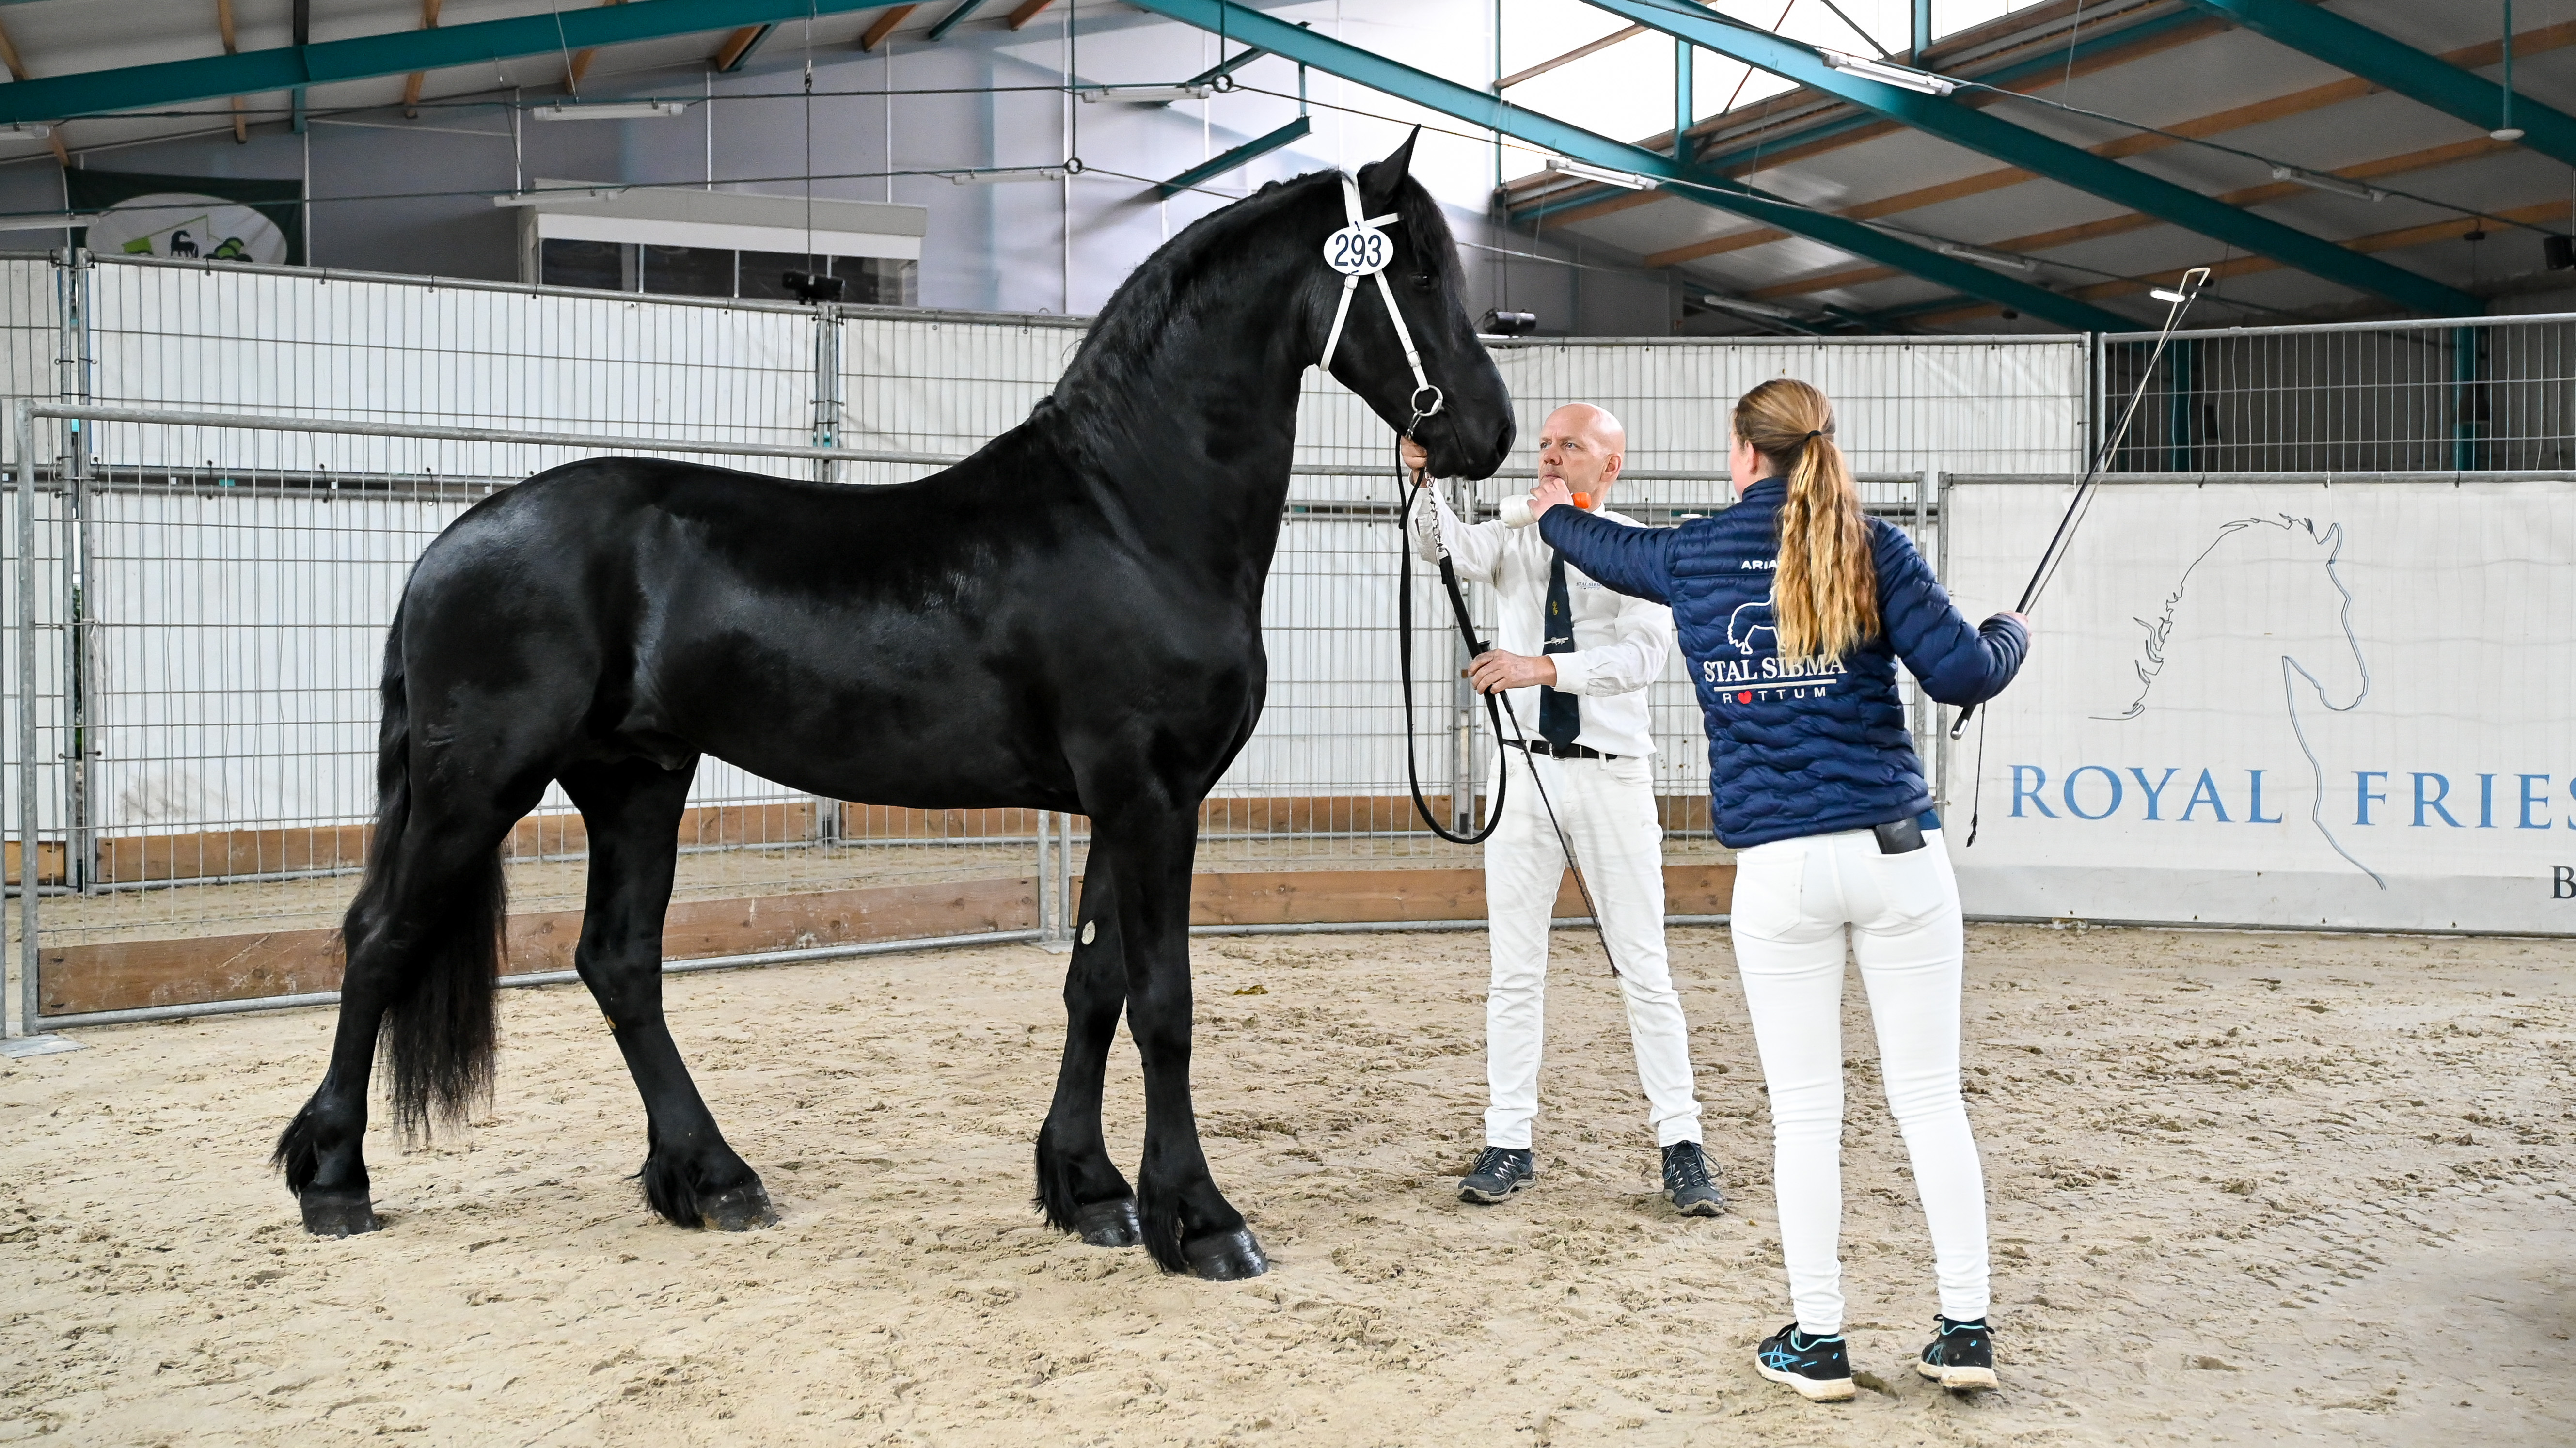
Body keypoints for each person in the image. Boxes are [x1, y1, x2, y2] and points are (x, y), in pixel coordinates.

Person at [1528, 378, 2028, 1403]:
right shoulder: (1875, 546)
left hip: (1782, 871)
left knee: (1807, 1115)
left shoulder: (1698, 553)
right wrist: (2012, 628)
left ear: (1744, 452)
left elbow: (1605, 551)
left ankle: (1819, 1339)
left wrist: (1552, 508)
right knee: (1930, 1101)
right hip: (1898, 855)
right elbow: (1968, 674)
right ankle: (1966, 1330)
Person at [1401, 403, 1723, 1219]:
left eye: (1568, 448)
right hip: (1523, 776)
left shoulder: (1635, 550)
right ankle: (1508, 1139)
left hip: (1611, 777)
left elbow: (1643, 657)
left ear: (1608, 467)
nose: (1549, 458)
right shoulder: (1513, 537)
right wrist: (1424, 478)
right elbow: (1439, 547)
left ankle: (1680, 1143)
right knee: (1515, 969)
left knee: (1642, 965)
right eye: (1545, 446)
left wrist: (1539, 668)